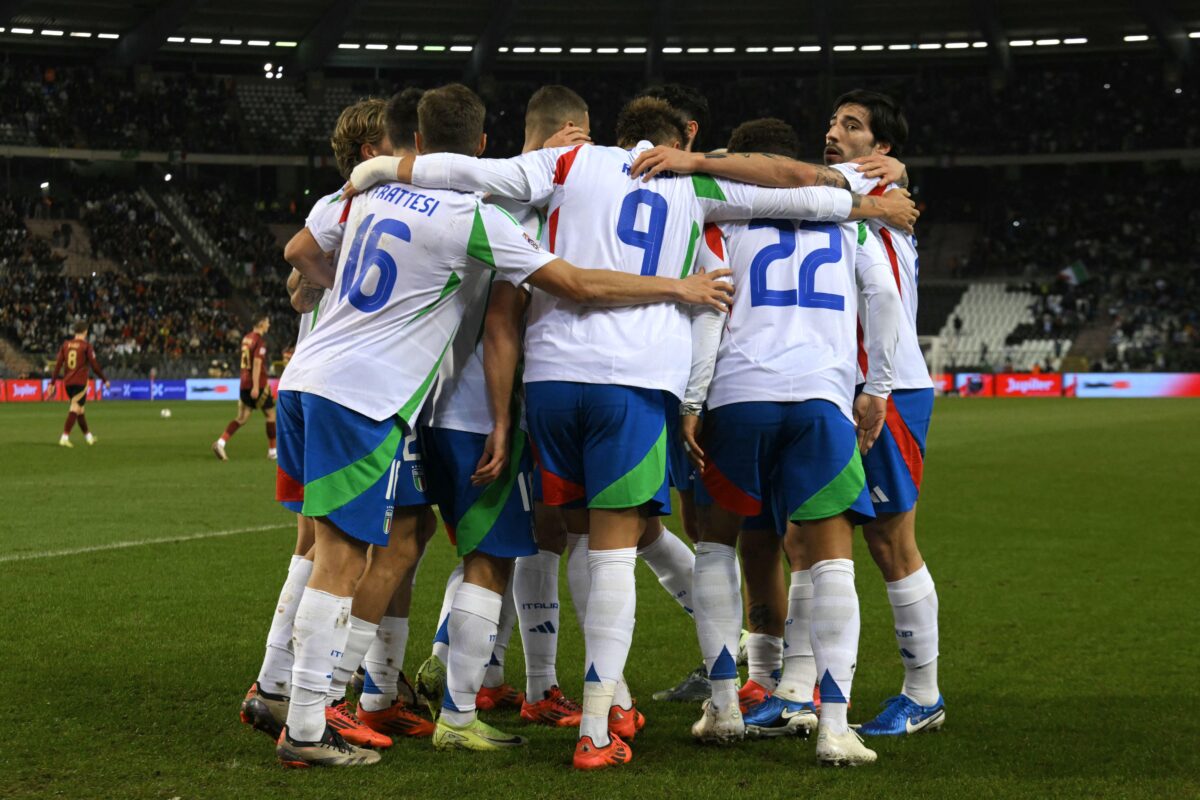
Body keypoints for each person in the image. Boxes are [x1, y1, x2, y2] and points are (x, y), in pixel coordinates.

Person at [345, 94, 916, 770]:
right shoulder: (693, 181)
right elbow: (801, 192)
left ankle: (557, 691)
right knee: (620, 546)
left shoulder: (564, 162)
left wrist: (380, 170)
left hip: (551, 382)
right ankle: (598, 724)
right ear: (676, 142)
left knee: (573, 538)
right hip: (638, 379)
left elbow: (472, 174)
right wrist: (871, 197)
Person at [275, 82, 736, 769]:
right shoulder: (486, 215)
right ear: (482, 144)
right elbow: (542, 301)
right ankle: (374, 713)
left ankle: (348, 692)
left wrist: (341, 294)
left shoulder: (364, 195)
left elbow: (298, 261)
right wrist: (678, 288)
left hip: (369, 396)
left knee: (388, 545)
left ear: (417, 142)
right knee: (479, 557)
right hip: (444, 408)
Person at [636, 90, 942, 742]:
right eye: (830, 123)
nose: (833, 134)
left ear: (882, 149)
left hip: (872, 382)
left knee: (886, 541)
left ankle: (923, 692)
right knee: (809, 542)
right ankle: (798, 692)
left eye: (851, 126)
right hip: (834, 388)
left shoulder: (848, 188)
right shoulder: (842, 200)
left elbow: (780, 186)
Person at [676, 117, 902, 765]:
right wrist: (876, 388)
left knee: (715, 543)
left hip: (737, 397)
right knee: (831, 559)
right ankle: (833, 725)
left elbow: (708, 312)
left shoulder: (716, 217)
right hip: (820, 399)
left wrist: (693, 401)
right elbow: (882, 296)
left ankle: (722, 708)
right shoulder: (845, 217)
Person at [241, 96, 433, 748]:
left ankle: (275, 685)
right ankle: (319, 699)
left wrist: (320, 280)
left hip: (315, 385)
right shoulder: (365, 203)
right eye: (394, 140)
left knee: (324, 546)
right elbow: (304, 277)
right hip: (354, 393)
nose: (409, 150)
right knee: (367, 547)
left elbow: (299, 287)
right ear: (366, 149)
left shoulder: (335, 209)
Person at [212, 315, 276, 461]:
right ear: (261, 324)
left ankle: (221, 442)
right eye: (267, 322)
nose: (269, 325)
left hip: (244, 383)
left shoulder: (246, 338)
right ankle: (272, 452)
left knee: (242, 418)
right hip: (257, 385)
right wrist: (255, 386)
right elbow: (257, 365)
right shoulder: (260, 342)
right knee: (271, 415)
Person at [53, 320, 109, 447]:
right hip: (80, 382)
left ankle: (89, 437)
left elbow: (58, 365)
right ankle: (64, 437)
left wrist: (52, 383)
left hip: (67, 383)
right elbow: (94, 366)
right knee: (74, 408)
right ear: (85, 332)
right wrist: (104, 380)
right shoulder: (86, 346)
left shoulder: (66, 345)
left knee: (80, 410)